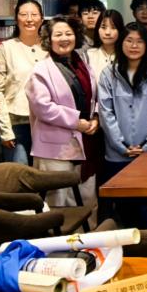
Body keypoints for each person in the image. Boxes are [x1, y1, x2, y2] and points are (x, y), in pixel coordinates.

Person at [26, 15, 100, 221]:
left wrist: (96, 117)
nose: (64, 38)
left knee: (87, 196)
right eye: (58, 34)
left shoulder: (82, 63)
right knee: (59, 200)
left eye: (69, 33)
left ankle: (89, 237)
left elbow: (94, 96)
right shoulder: (41, 70)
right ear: (49, 39)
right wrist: (76, 122)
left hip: (86, 141)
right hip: (55, 147)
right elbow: (43, 107)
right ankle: (60, 241)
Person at [97, 23, 147, 221]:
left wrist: (146, 145)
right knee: (123, 210)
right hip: (117, 155)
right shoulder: (108, 74)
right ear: (121, 43)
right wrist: (121, 146)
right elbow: (106, 113)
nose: (134, 46)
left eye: (139, 41)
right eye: (129, 40)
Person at [0, 0, 48, 165]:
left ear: (42, 19)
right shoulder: (6, 48)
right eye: (23, 14)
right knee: (19, 173)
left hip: (47, 121)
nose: (29, 19)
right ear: (16, 19)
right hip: (17, 123)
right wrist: (5, 131)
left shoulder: (50, 48)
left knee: (44, 174)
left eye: (34, 14)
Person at [85, 8, 125, 93]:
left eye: (113, 27)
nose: (107, 32)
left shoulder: (126, 56)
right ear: (98, 29)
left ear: (120, 30)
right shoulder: (88, 55)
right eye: (103, 27)